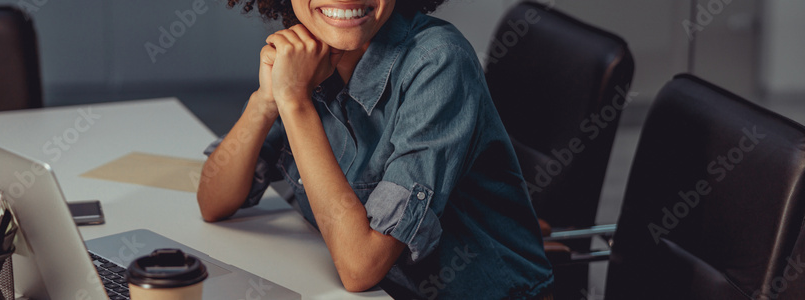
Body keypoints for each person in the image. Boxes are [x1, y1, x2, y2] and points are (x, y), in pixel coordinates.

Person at [196, 0, 553, 298]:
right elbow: (213, 202)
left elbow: (360, 267)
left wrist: (295, 102)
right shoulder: (305, 53)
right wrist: (266, 100)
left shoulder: (439, 61)